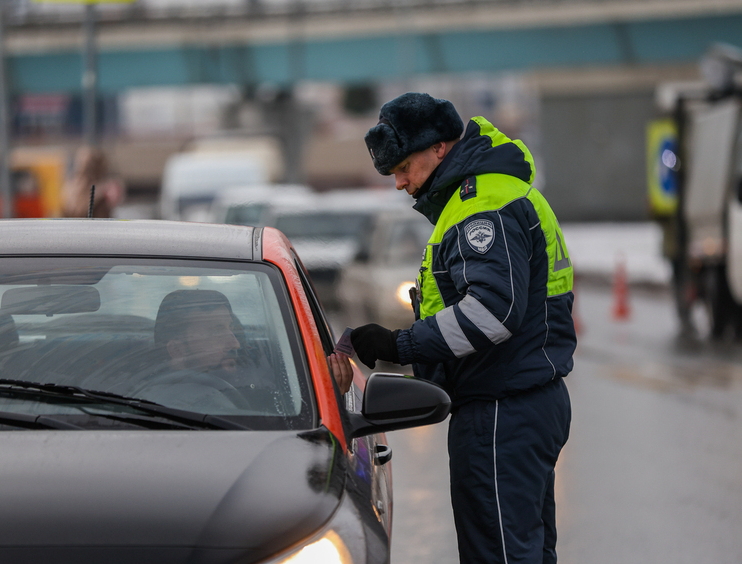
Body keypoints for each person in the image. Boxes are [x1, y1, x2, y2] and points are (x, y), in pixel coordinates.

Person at [351, 93, 575, 564]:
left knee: (500, 555)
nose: (400, 182)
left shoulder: (482, 206)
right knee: (524, 552)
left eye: (404, 167)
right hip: (520, 401)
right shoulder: (483, 195)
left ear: (439, 147)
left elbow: (492, 313)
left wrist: (399, 343)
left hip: (501, 409)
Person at [138, 290, 353, 411]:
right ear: (177, 350)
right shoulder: (179, 404)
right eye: (215, 332)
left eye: (231, 328)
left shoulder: (259, 377)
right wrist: (330, 404)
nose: (235, 344)